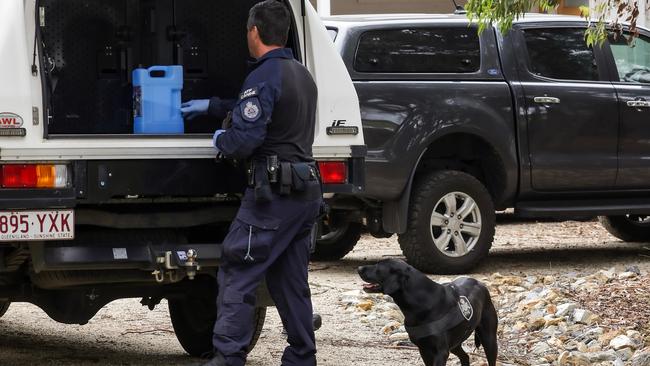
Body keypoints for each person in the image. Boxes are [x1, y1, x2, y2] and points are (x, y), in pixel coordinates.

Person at [181, 2, 321, 366]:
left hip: (271, 197)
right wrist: (212, 105)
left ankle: (227, 358)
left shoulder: (262, 77)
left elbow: (246, 139)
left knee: (237, 272)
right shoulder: (301, 74)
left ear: (254, 32)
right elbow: (260, 110)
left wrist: (219, 140)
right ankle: (302, 357)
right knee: (291, 281)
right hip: (304, 192)